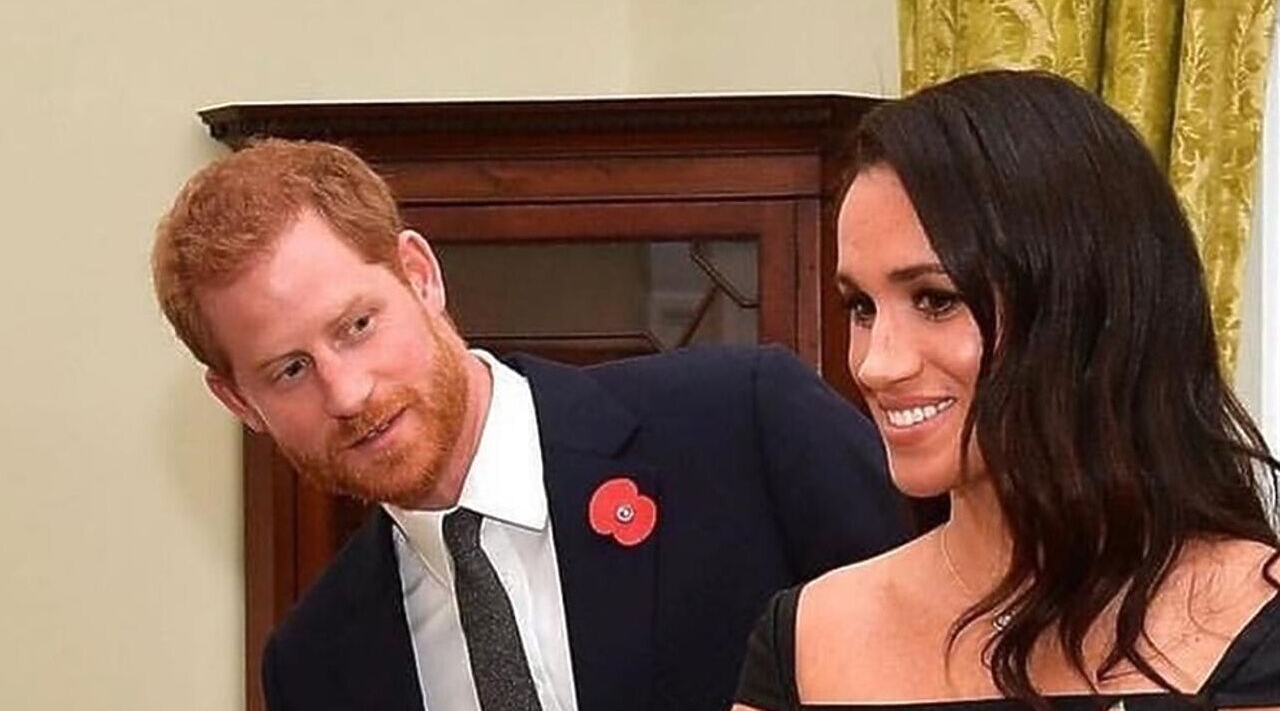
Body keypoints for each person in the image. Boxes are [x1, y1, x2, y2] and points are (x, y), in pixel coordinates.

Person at [150, 139, 910, 711]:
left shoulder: (742, 424)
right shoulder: (315, 665)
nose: (347, 393)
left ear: (420, 276)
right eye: (290, 370)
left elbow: (958, 642)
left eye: (357, 325)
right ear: (240, 404)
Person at [733, 69, 1280, 710]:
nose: (877, 365)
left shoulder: (1251, 620)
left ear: (1081, 306)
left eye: (936, 300)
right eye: (861, 306)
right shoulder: (809, 637)